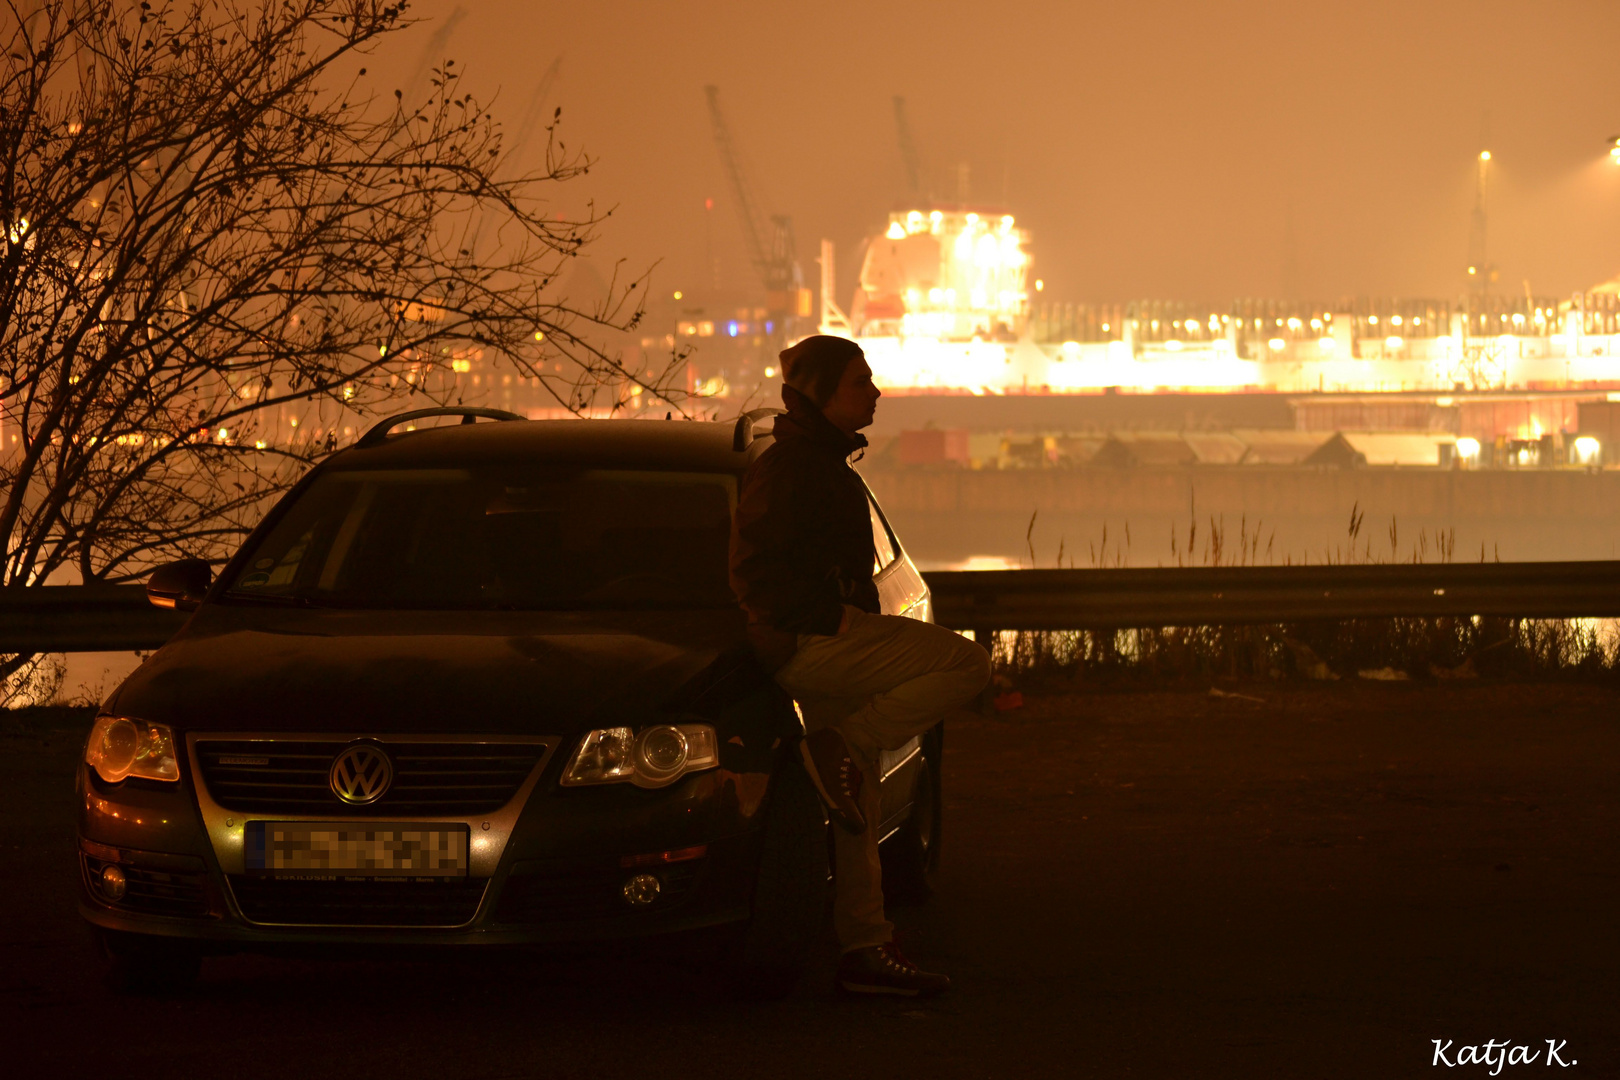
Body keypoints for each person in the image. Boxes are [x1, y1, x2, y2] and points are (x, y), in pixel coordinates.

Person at [729, 334, 993, 997]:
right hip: (819, 642)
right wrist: (816, 622)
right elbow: (755, 567)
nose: (874, 392)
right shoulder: (793, 467)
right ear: (818, 392)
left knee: (857, 809)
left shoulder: (818, 464)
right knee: (968, 665)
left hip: (820, 638)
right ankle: (842, 743)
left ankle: (864, 946)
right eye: (858, 381)